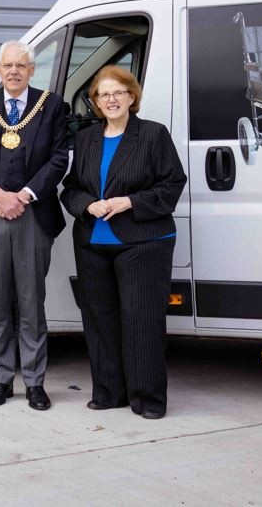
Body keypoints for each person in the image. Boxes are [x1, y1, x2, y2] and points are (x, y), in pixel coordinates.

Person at [59, 66, 186, 419]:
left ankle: (147, 400)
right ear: (96, 103)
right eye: (104, 94)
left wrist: (127, 201)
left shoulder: (152, 135)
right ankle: (108, 392)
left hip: (142, 241)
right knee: (99, 321)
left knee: (141, 321)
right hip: (92, 242)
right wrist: (87, 204)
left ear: (132, 97)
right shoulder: (86, 139)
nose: (111, 99)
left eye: (118, 92)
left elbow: (172, 185)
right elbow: (71, 189)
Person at [0, 40, 69, 410]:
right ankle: (1, 380)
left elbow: (58, 160)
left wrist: (23, 194)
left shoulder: (52, 104)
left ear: (31, 70)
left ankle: (35, 382)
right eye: (7, 65)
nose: (13, 71)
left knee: (31, 303)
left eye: (20, 66)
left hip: (32, 215)